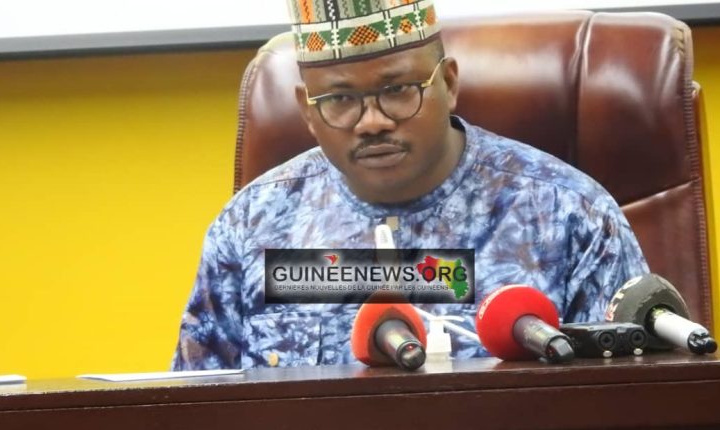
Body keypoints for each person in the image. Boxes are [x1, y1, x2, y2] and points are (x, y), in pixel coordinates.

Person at [172, 0, 648, 371]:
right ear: (307, 112)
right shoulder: (251, 225)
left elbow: (633, 397)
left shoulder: (569, 214)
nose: (372, 122)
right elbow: (197, 407)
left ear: (450, 84)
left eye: (398, 90)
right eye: (340, 99)